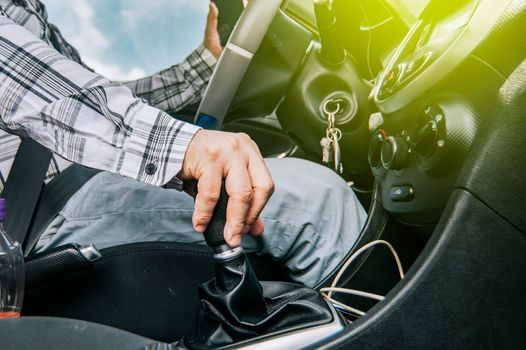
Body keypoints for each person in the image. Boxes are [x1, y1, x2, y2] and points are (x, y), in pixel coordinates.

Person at [0, 0, 367, 287]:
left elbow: (87, 97)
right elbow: (28, 84)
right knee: (314, 204)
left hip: (68, 194)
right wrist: (183, 146)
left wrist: (204, 65)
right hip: (34, 219)